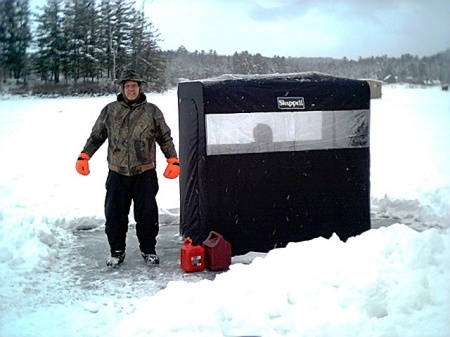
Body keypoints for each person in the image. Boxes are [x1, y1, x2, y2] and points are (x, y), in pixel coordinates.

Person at [75, 69, 179, 268]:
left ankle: (148, 249)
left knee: (147, 215)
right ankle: (116, 251)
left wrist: (173, 159)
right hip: (117, 172)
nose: (131, 90)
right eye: (127, 86)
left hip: (145, 172)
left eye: (134, 86)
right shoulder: (110, 110)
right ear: (122, 88)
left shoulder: (152, 111)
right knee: (114, 215)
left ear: (139, 88)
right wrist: (84, 155)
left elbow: (164, 137)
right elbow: (97, 136)